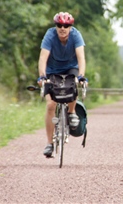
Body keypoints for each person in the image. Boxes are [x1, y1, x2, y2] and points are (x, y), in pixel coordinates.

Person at [37, 12, 87, 157]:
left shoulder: (76, 35)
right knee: (50, 105)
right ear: (56, 26)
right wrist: (42, 76)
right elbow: (42, 58)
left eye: (66, 25)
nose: (62, 28)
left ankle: (71, 112)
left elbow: (81, 58)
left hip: (71, 68)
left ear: (70, 26)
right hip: (52, 70)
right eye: (59, 25)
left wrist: (81, 76)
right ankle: (49, 143)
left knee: (73, 84)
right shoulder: (50, 35)